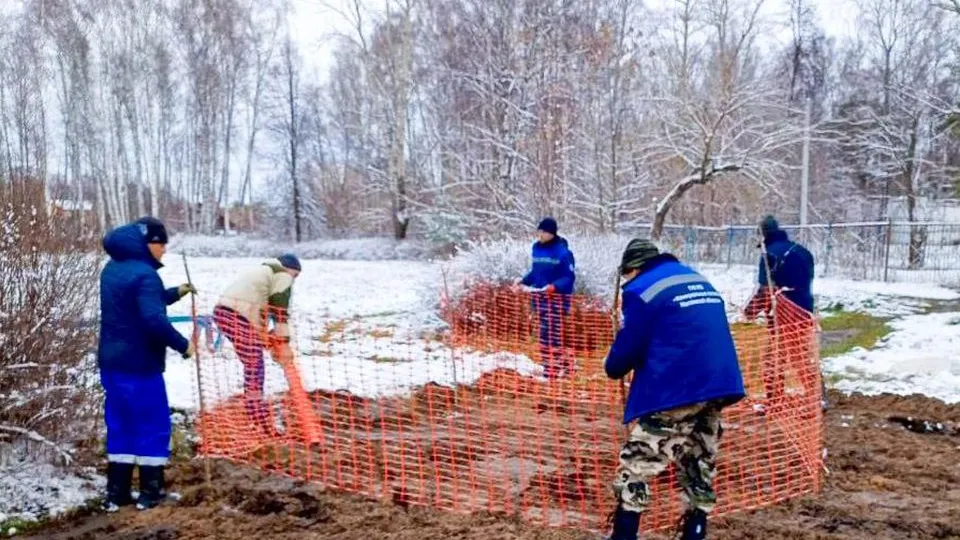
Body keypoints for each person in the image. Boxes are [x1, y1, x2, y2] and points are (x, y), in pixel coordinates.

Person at [604, 239, 745, 540]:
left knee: (637, 463)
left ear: (634, 268)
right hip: (720, 382)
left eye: (627, 274)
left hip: (679, 386)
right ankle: (695, 532)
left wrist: (613, 365)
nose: (626, 280)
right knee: (698, 459)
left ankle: (624, 535)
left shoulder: (641, 290)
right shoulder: (695, 278)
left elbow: (628, 347)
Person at [98, 216, 196, 512]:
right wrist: (183, 345)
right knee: (152, 424)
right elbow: (153, 319)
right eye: (161, 243)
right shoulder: (146, 275)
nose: (164, 249)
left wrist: (175, 292)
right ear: (147, 243)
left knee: (121, 424)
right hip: (141, 364)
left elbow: (137, 302)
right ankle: (151, 493)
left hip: (112, 364)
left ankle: (117, 492)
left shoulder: (112, 269)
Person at [212, 254, 301, 437]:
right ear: (289, 269)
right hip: (237, 316)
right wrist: (284, 343)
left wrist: (270, 341)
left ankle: (255, 411)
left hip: (224, 313)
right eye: (296, 275)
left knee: (252, 362)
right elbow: (280, 311)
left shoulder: (264, 273)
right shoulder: (282, 275)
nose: (293, 281)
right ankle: (257, 415)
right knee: (254, 364)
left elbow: (257, 316)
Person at [743, 215, 822, 411]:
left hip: (782, 313)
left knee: (777, 358)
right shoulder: (802, 251)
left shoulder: (769, 255)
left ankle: (779, 401)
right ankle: (815, 397)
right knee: (800, 356)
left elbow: (766, 290)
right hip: (804, 309)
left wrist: (750, 311)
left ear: (763, 236)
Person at [516, 217, 576, 379]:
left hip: (556, 300)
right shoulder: (536, 248)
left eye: (543, 232)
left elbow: (569, 277)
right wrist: (523, 281)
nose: (540, 235)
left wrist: (555, 286)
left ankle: (552, 368)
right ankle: (563, 364)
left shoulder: (563, 253)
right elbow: (536, 272)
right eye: (539, 231)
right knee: (545, 333)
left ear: (551, 233)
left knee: (550, 333)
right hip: (539, 298)